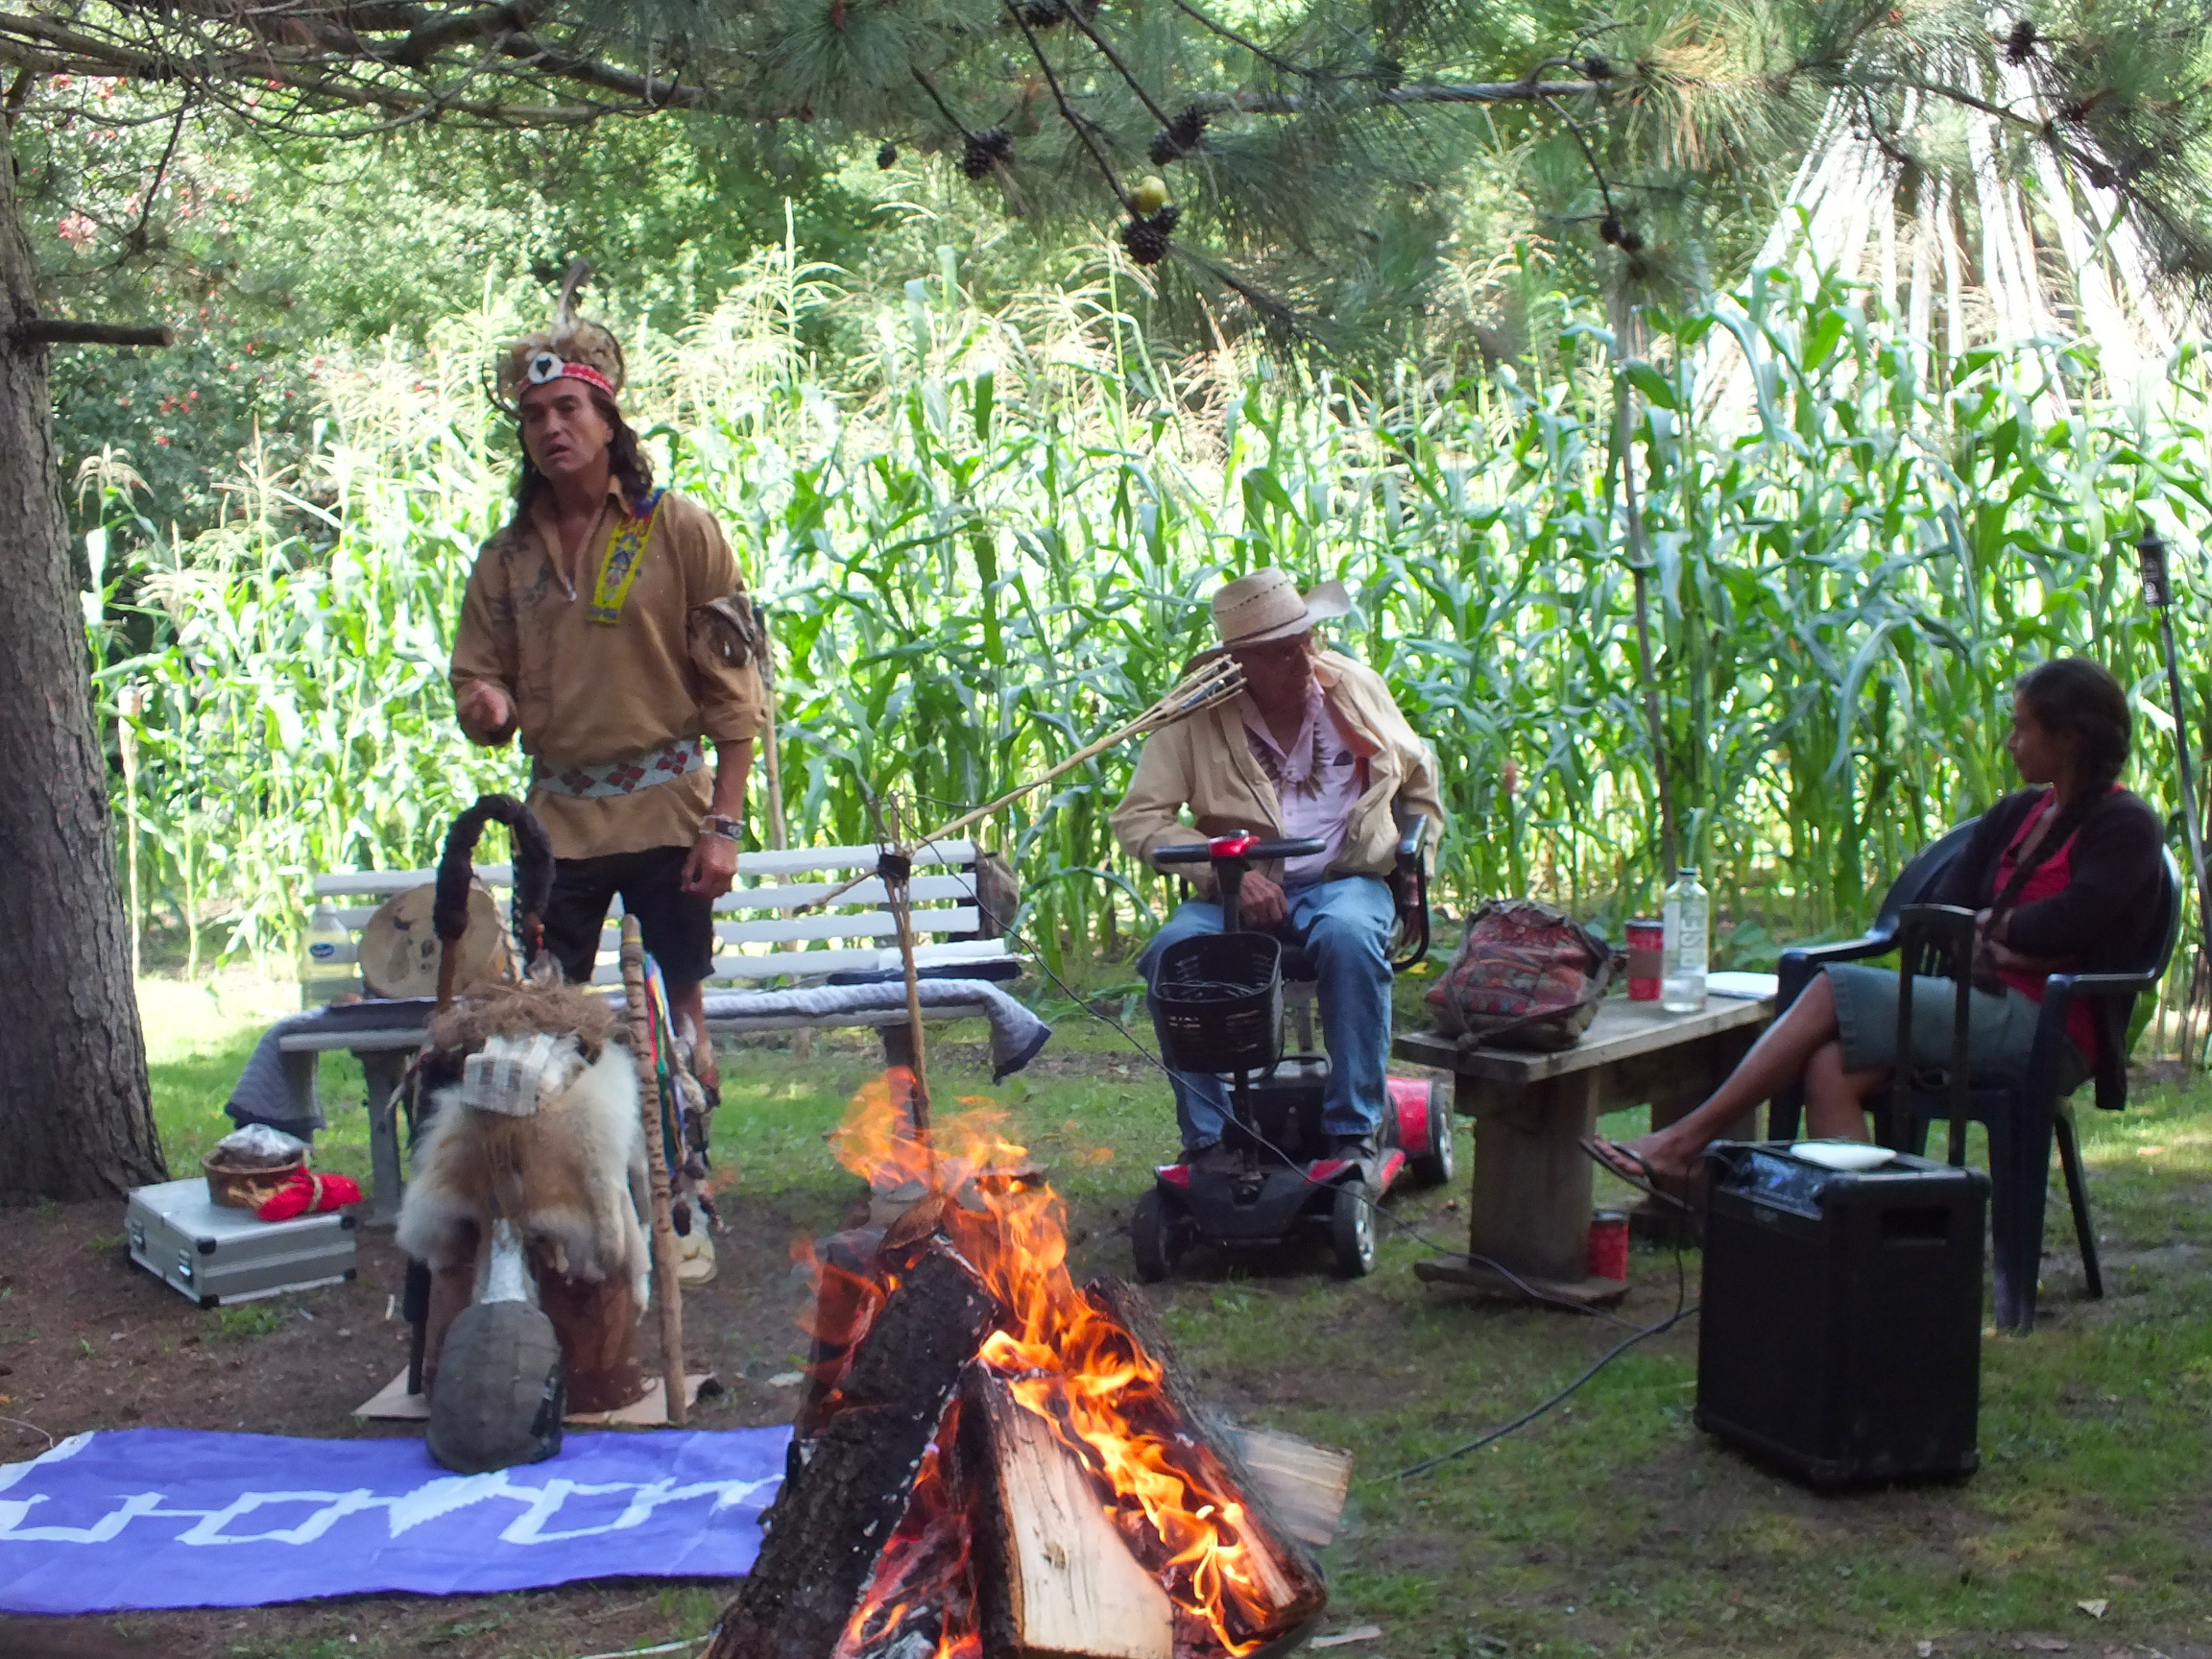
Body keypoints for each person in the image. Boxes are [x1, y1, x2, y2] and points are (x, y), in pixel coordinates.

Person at [1583, 657, 2166, 1200]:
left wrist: (1999, 934)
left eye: (2024, 729)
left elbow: (2075, 922)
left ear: (2071, 738)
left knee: (1834, 987)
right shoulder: (2018, 813)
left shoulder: (2126, 825)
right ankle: (1876, 1235)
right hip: (1977, 1005)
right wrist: (2007, 941)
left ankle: (1684, 1144)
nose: (2011, 743)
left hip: (2051, 1026)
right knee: (1830, 1067)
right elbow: (1940, 910)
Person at [449, 300, 767, 1118]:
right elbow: (478, 679)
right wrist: (488, 707)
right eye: (533, 416)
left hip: (668, 816)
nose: (551, 428)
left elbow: (738, 691)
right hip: (556, 824)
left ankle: (686, 1194)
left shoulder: (680, 530)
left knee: (680, 1026)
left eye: (568, 408)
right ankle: (571, 1184)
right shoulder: (506, 558)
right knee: (546, 1019)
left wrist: (723, 824)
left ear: (607, 419)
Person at [1111, 570, 1446, 1166]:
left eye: (1306, 640)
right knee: (1173, 952)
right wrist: (1223, 878)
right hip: (1232, 891)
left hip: (1345, 879)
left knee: (1349, 938)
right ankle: (1208, 1139)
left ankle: (1353, 1131)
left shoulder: (1354, 689)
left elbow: (1419, 780)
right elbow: (1138, 819)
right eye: (1280, 652)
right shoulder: (1195, 717)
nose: (1302, 660)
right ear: (1238, 662)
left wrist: (1415, 875)